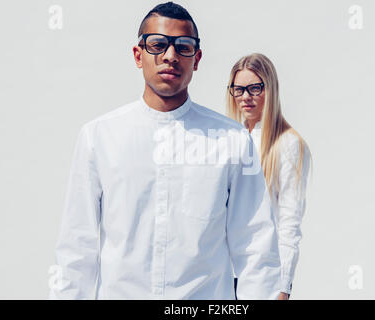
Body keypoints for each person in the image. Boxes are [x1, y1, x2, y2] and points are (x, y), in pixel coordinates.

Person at [49, 2, 284, 299]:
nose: (170, 56)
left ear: (197, 59)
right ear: (138, 55)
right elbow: (76, 248)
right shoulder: (99, 137)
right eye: (158, 45)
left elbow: (256, 247)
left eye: (183, 47)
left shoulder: (232, 140)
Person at [226, 53, 311, 300]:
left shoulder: (288, 143)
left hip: (262, 279)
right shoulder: (230, 140)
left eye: (254, 88)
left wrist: (283, 288)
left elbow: (289, 221)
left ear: (270, 88)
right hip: (223, 274)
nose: (245, 97)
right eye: (238, 89)